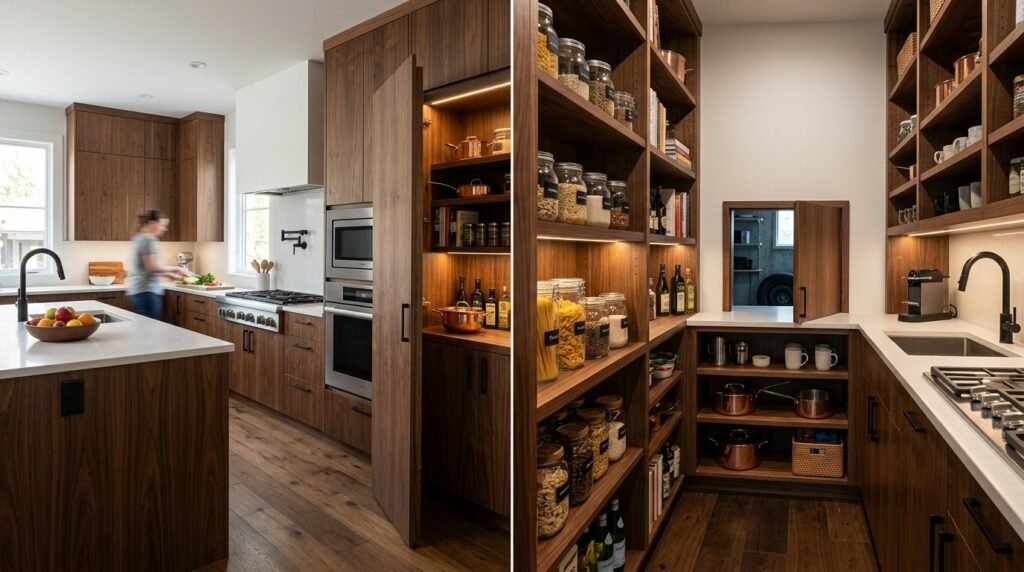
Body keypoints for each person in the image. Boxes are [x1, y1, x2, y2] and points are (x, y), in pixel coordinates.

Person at [128, 210, 186, 319]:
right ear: (153, 223)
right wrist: (176, 269)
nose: (164, 229)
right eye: (162, 225)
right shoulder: (148, 239)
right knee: (150, 330)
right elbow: (152, 267)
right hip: (147, 292)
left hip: (138, 290)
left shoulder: (139, 237)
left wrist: (170, 275)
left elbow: (147, 269)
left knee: (144, 329)